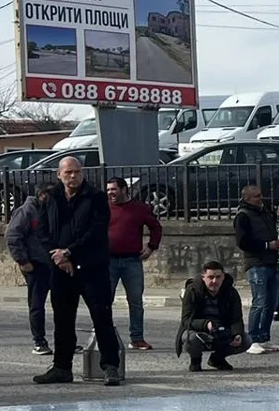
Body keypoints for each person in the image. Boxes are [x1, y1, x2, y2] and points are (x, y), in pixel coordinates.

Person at [35, 157, 120, 386]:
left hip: (92, 268)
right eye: (69, 173)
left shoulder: (95, 197)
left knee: (102, 317)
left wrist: (70, 252)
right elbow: (42, 231)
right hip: (61, 269)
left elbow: (96, 232)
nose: (73, 177)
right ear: (59, 175)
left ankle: (110, 366)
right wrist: (58, 257)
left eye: (77, 172)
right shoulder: (50, 198)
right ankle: (61, 367)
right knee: (62, 320)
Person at [104, 177, 163, 351]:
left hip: (132, 261)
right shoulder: (104, 208)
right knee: (105, 301)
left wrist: (151, 247)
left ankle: (137, 338)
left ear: (124, 189)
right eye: (108, 190)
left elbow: (156, 227)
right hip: (109, 261)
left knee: (135, 301)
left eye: (114, 189)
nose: (110, 193)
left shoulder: (139, 208)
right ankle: (104, 337)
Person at [5, 182, 55, 355]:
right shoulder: (26, 211)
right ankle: (39, 341)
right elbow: (13, 236)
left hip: (55, 263)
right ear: (42, 195)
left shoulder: (53, 209)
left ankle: (66, 340)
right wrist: (22, 260)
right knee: (37, 304)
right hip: (35, 263)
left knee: (62, 304)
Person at [233, 186, 279, 355]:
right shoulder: (243, 216)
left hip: (272, 261)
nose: (260, 199)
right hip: (256, 262)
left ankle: (264, 337)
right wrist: (266, 245)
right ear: (247, 199)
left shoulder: (265, 212)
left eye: (260, 195)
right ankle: (253, 339)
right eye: (256, 196)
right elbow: (242, 242)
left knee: (271, 303)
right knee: (260, 302)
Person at [174, 260, 246, 372]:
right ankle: (195, 360)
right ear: (203, 277)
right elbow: (186, 320)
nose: (214, 281)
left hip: (221, 329)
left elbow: (236, 317)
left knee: (246, 340)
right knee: (191, 338)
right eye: (210, 277)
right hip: (198, 330)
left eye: (218, 277)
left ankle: (217, 359)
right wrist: (206, 324)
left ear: (223, 277)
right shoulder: (192, 291)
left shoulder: (231, 292)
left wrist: (237, 333)